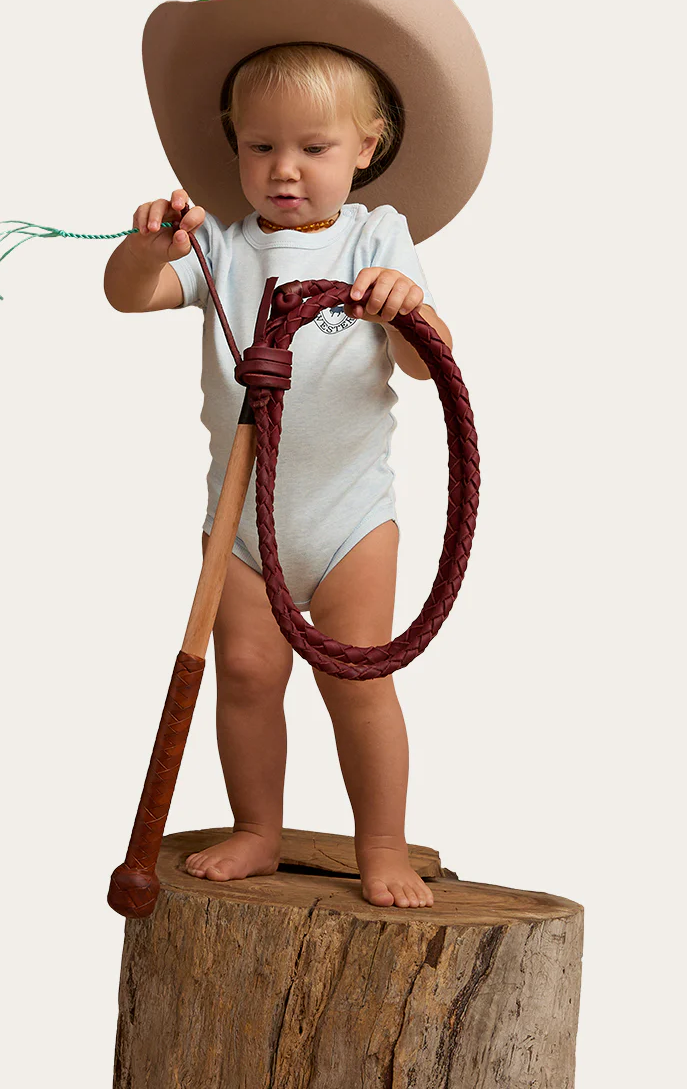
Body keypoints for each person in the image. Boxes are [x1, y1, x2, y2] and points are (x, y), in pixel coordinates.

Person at [104, 44, 454, 908]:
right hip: (239, 524)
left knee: (357, 680)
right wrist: (146, 248)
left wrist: (403, 307)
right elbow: (129, 295)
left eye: (313, 148)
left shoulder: (375, 238)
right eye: (260, 147)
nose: (283, 169)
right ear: (235, 146)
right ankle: (258, 828)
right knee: (248, 677)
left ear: (367, 147)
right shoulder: (221, 247)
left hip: (348, 518)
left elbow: (427, 363)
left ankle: (383, 845)